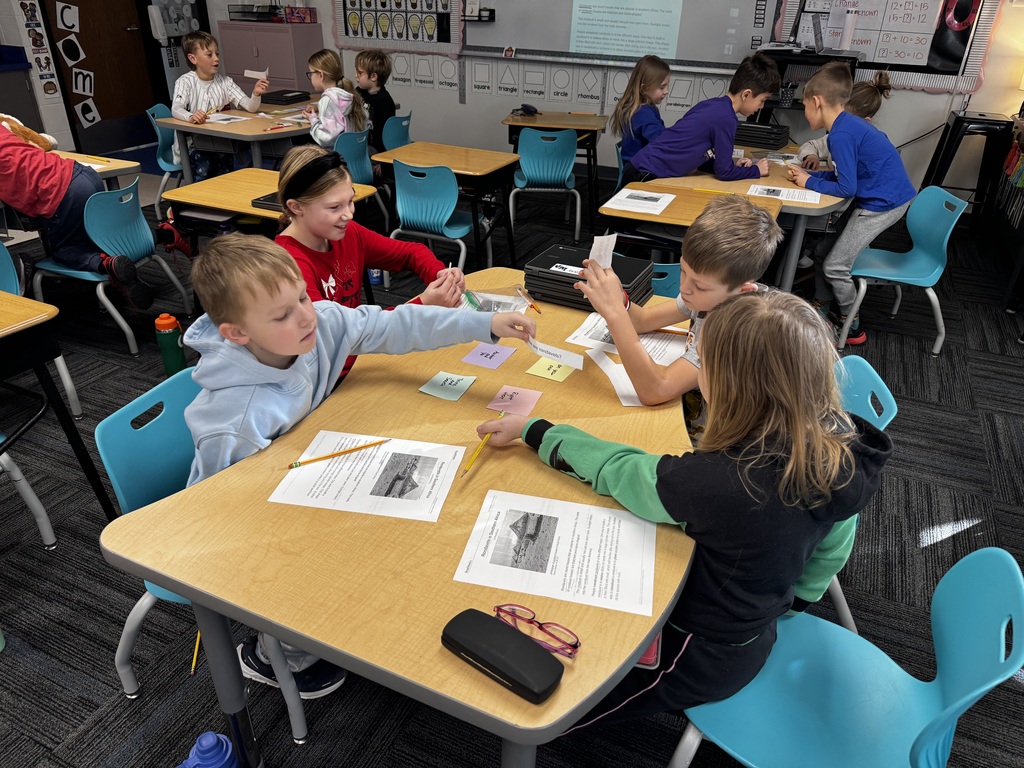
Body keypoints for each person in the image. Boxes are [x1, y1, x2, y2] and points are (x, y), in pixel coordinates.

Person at [477, 290, 893, 727]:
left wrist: (537, 430)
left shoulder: (720, 482)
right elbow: (832, 549)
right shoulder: (841, 451)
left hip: (703, 654)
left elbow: (622, 471)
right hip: (756, 624)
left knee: (560, 705)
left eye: (702, 361)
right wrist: (789, 606)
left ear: (730, 386)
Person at [183, 233, 535, 697]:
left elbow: (396, 325)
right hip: (247, 517)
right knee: (333, 560)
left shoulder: (320, 323)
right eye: (283, 314)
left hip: (312, 470)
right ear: (238, 334)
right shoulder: (235, 419)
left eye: (303, 298)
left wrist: (483, 324)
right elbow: (223, 507)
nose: (306, 315)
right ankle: (276, 656)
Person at [575, 195, 782, 429]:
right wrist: (619, 300)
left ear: (742, 290)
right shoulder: (709, 298)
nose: (684, 288)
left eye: (700, 285)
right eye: (683, 271)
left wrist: (615, 314)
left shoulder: (738, 329)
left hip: (730, 435)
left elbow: (656, 390)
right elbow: (643, 321)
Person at [275, 145, 466, 380]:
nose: (348, 214)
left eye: (350, 201)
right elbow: (330, 340)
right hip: (328, 380)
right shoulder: (287, 266)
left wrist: (440, 277)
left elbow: (411, 252)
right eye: (335, 207)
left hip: (361, 358)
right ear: (296, 207)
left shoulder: (347, 233)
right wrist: (423, 304)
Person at [787, 63, 916, 346]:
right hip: (873, 197)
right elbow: (847, 173)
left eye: (804, 104)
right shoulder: (845, 127)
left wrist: (809, 182)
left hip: (884, 203)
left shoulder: (841, 134)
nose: (804, 110)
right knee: (822, 251)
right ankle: (822, 304)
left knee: (835, 266)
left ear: (817, 102)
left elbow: (847, 187)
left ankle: (850, 322)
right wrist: (816, 176)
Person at [0, 126, 154, 307]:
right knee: (95, 234)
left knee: (63, 250)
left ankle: (107, 264)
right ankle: (159, 234)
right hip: (82, 173)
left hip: (62, 192)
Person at [622, 53, 781, 186]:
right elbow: (724, 172)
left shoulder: (711, 105)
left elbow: (703, 157)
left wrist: (735, 167)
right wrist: (756, 170)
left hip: (640, 168)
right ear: (746, 94)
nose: (761, 106)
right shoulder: (726, 119)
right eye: (762, 100)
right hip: (644, 174)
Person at [171, 30, 270, 181]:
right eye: (209, 55)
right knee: (204, 172)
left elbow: (249, 106)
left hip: (222, 142)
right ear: (193, 58)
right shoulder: (185, 82)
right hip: (195, 146)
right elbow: (176, 108)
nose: (216, 59)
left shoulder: (226, 82)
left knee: (226, 176)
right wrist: (191, 116)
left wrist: (256, 94)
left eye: (217, 54)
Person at [798, 71, 893, 171]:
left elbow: (848, 185)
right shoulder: (836, 137)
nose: (839, 122)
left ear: (865, 122)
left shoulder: (870, 149)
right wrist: (811, 156)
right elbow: (811, 145)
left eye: (846, 119)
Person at [611, 55, 670, 166]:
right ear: (644, 88)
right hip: (637, 171)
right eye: (662, 87)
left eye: (667, 86)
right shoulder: (643, 113)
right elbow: (661, 141)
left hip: (635, 167)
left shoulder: (642, 109)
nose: (666, 91)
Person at [302, 48, 367, 148]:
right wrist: (318, 107)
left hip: (337, 158)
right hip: (354, 154)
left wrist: (313, 120)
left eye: (310, 73)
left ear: (321, 75)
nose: (310, 77)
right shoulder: (347, 94)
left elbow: (326, 138)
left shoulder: (327, 101)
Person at [354, 49, 396, 154]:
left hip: (376, 150)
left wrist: (383, 161)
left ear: (373, 76)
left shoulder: (384, 101)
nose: (356, 75)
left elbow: (388, 134)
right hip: (362, 144)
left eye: (359, 73)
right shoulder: (359, 92)